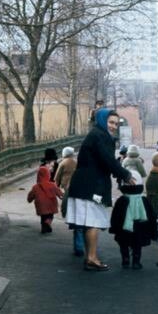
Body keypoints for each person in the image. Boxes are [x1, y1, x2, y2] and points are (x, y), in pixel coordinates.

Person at [66, 108, 134, 271]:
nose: (113, 126)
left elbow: (105, 161)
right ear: (103, 121)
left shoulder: (97, 134)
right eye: (111, 122)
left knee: (90, 223)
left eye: (116, 124)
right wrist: (125, 174)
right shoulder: (100, 136)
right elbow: (107, 159)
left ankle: (90, 257)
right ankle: (91, 258)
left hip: (85, 184)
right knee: (93, 222)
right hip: (91, 185)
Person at [109, 170, 156, 270]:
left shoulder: (122, 200)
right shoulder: (144, 200)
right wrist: (152, 230)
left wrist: (114, 228)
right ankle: (136, 262)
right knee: (137, 245)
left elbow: (115, 216)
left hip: (124, 229)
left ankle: (125, 260)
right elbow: (151, 215)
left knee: (123, 244)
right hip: (140, 227)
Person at [55, 146, 83, 256]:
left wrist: (56, 187)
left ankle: (66, 214)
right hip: (79, 188)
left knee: (67, 206)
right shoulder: (76, 162)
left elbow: (57, 178)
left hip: (68, 188)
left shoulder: (63, 163)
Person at [27, 167, 63, 233]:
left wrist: (29, 199)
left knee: (43, 217)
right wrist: (62, 196)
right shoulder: (52, 185)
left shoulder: (35, 187)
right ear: (48, 175)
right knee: (50, 216)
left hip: (41, 205)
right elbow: (59, 192)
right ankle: (48, 223)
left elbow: (30, 196)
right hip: (51, 204)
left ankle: (43, 227)